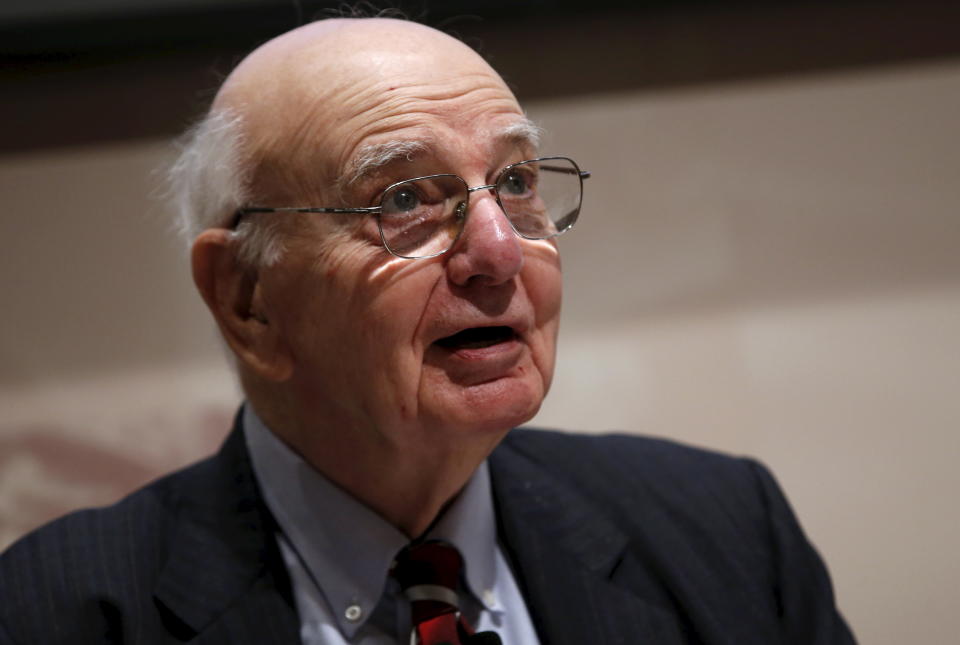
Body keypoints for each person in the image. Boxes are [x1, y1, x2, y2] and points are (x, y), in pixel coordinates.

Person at [0, 17, 855, 645]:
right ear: (247, 296)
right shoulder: (51, 611)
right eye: (403, 199)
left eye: (516, 181)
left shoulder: (727, 532)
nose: (497, 251)